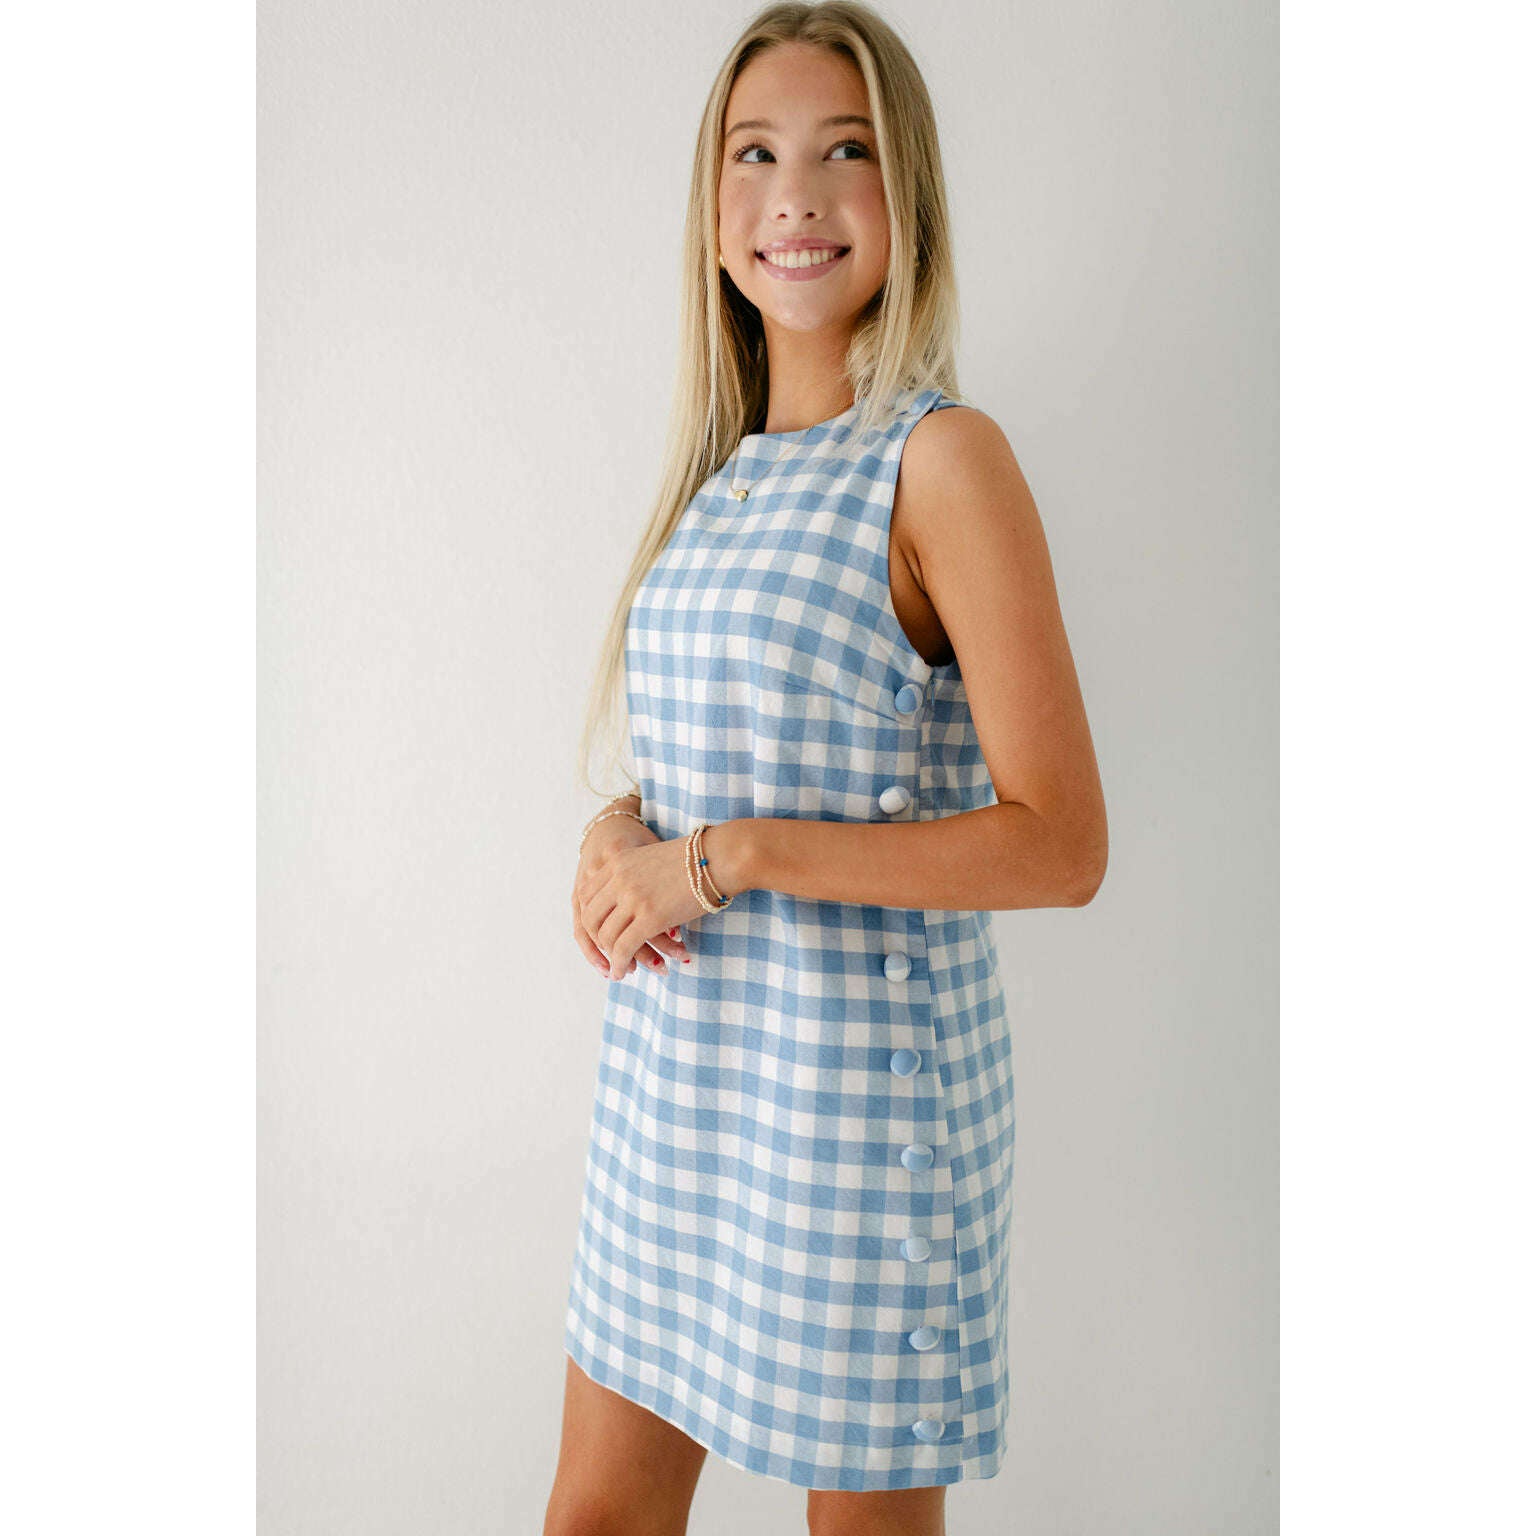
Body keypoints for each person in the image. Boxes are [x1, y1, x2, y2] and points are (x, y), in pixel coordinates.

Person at [550, 4, 1107, 1532]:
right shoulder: (718, 474)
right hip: (678, 1090)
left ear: (903, 186)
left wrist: (727, 859)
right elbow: (714, 748)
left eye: (842, 149)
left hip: (857, 1113)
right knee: (596, 1516)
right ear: (712, 201)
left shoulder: (942, 458)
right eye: (755, 154)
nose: (794, 194)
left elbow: (1061, 844)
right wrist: (620, 833)